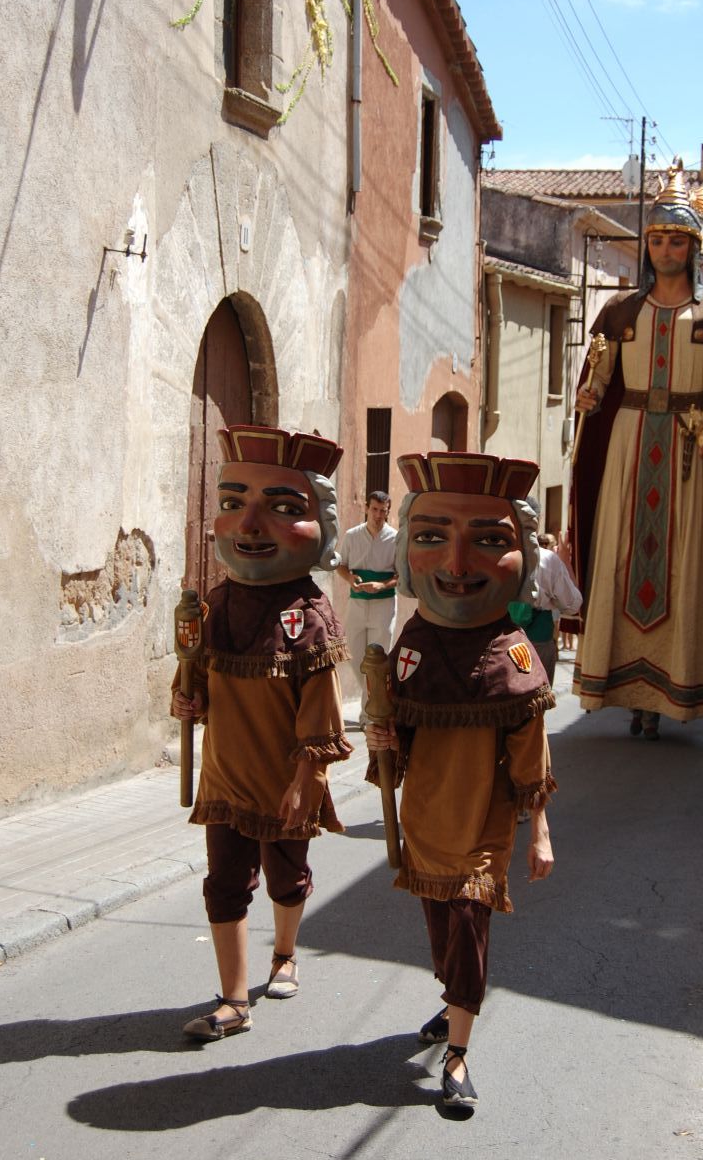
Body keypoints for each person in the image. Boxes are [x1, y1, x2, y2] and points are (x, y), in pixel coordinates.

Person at [365, 452, 555, 1112]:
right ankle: (453, 1002)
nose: (455, 564)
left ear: (523, 556)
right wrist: (386, 736)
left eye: (489, 541)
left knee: (470, 927)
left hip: (484, 821)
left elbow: (531, 757)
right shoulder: (410, 645)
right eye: (431, 537)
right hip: (423, 816)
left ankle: (459, 1055)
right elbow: (399, 734)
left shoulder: (515, 654)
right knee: (443, 936)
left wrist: (541, 835)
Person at [172, 425, 351, 1040]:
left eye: (280, 508)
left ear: (320, 527)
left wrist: (308, 777)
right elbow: (194, 677)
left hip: (285, 778)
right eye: (232, 503)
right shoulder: (215, 606)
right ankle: (232, 1000)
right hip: (225, 773)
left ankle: (284, 954)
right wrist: (187, 697)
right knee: (224, 882)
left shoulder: (312, 615)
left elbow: (323, 713)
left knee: (286, 876)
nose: (248, 525)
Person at [571, 163, 703, 740]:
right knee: (622, 558)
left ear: (692, 247)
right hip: (629, 441)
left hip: (686, 452)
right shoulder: (620, 313)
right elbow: (599, 385)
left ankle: (676, 691)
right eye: (657, 239)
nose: (666, 248)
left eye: (677, 239)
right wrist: (589, 395)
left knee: (684, 566)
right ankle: (624, 685)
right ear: (647, 246)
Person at [336, 490, 398, 723]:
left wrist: (382, 585)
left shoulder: (395, 538)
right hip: (357, 603)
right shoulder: (352, 536)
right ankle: (374, 699)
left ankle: (368, 714)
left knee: (379, 658)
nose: (378, 515)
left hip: (384, 604)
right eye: (374, 509)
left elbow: (400, 575)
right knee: (354, 655)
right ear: (366, 508)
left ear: (388, 511)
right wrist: (350, 579)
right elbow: (341, 565)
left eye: (383, 510)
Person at [509, 500, 582, 684]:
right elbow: (572, 605)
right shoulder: (549, 560)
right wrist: (565, 562)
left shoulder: (491, 554)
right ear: (537, 521)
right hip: (537, 641)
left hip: (499, 640)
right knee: (536, 707)